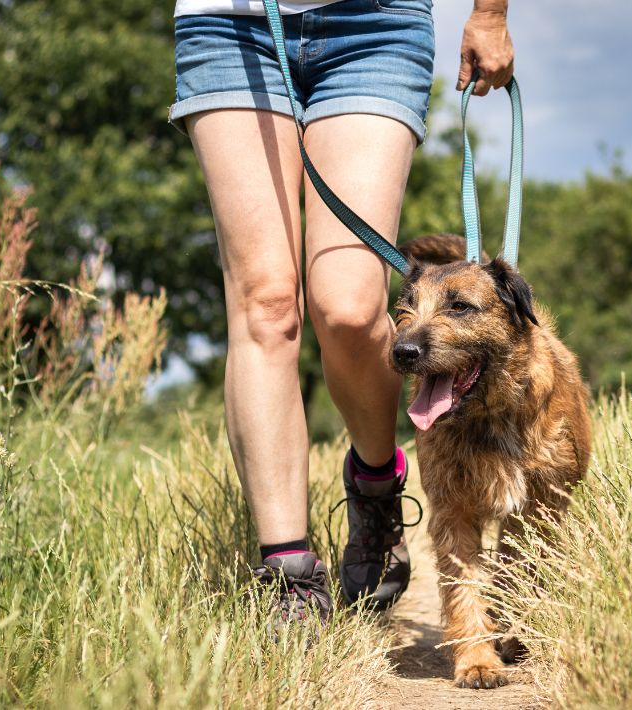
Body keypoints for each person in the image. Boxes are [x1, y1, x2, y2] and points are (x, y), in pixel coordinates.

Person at [169, 0, 516, 623]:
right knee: (265, 303)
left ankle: (376, 490)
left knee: (351, 309)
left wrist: (488, 13)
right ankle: (288, 572)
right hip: (228, 24)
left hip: (375, 24)